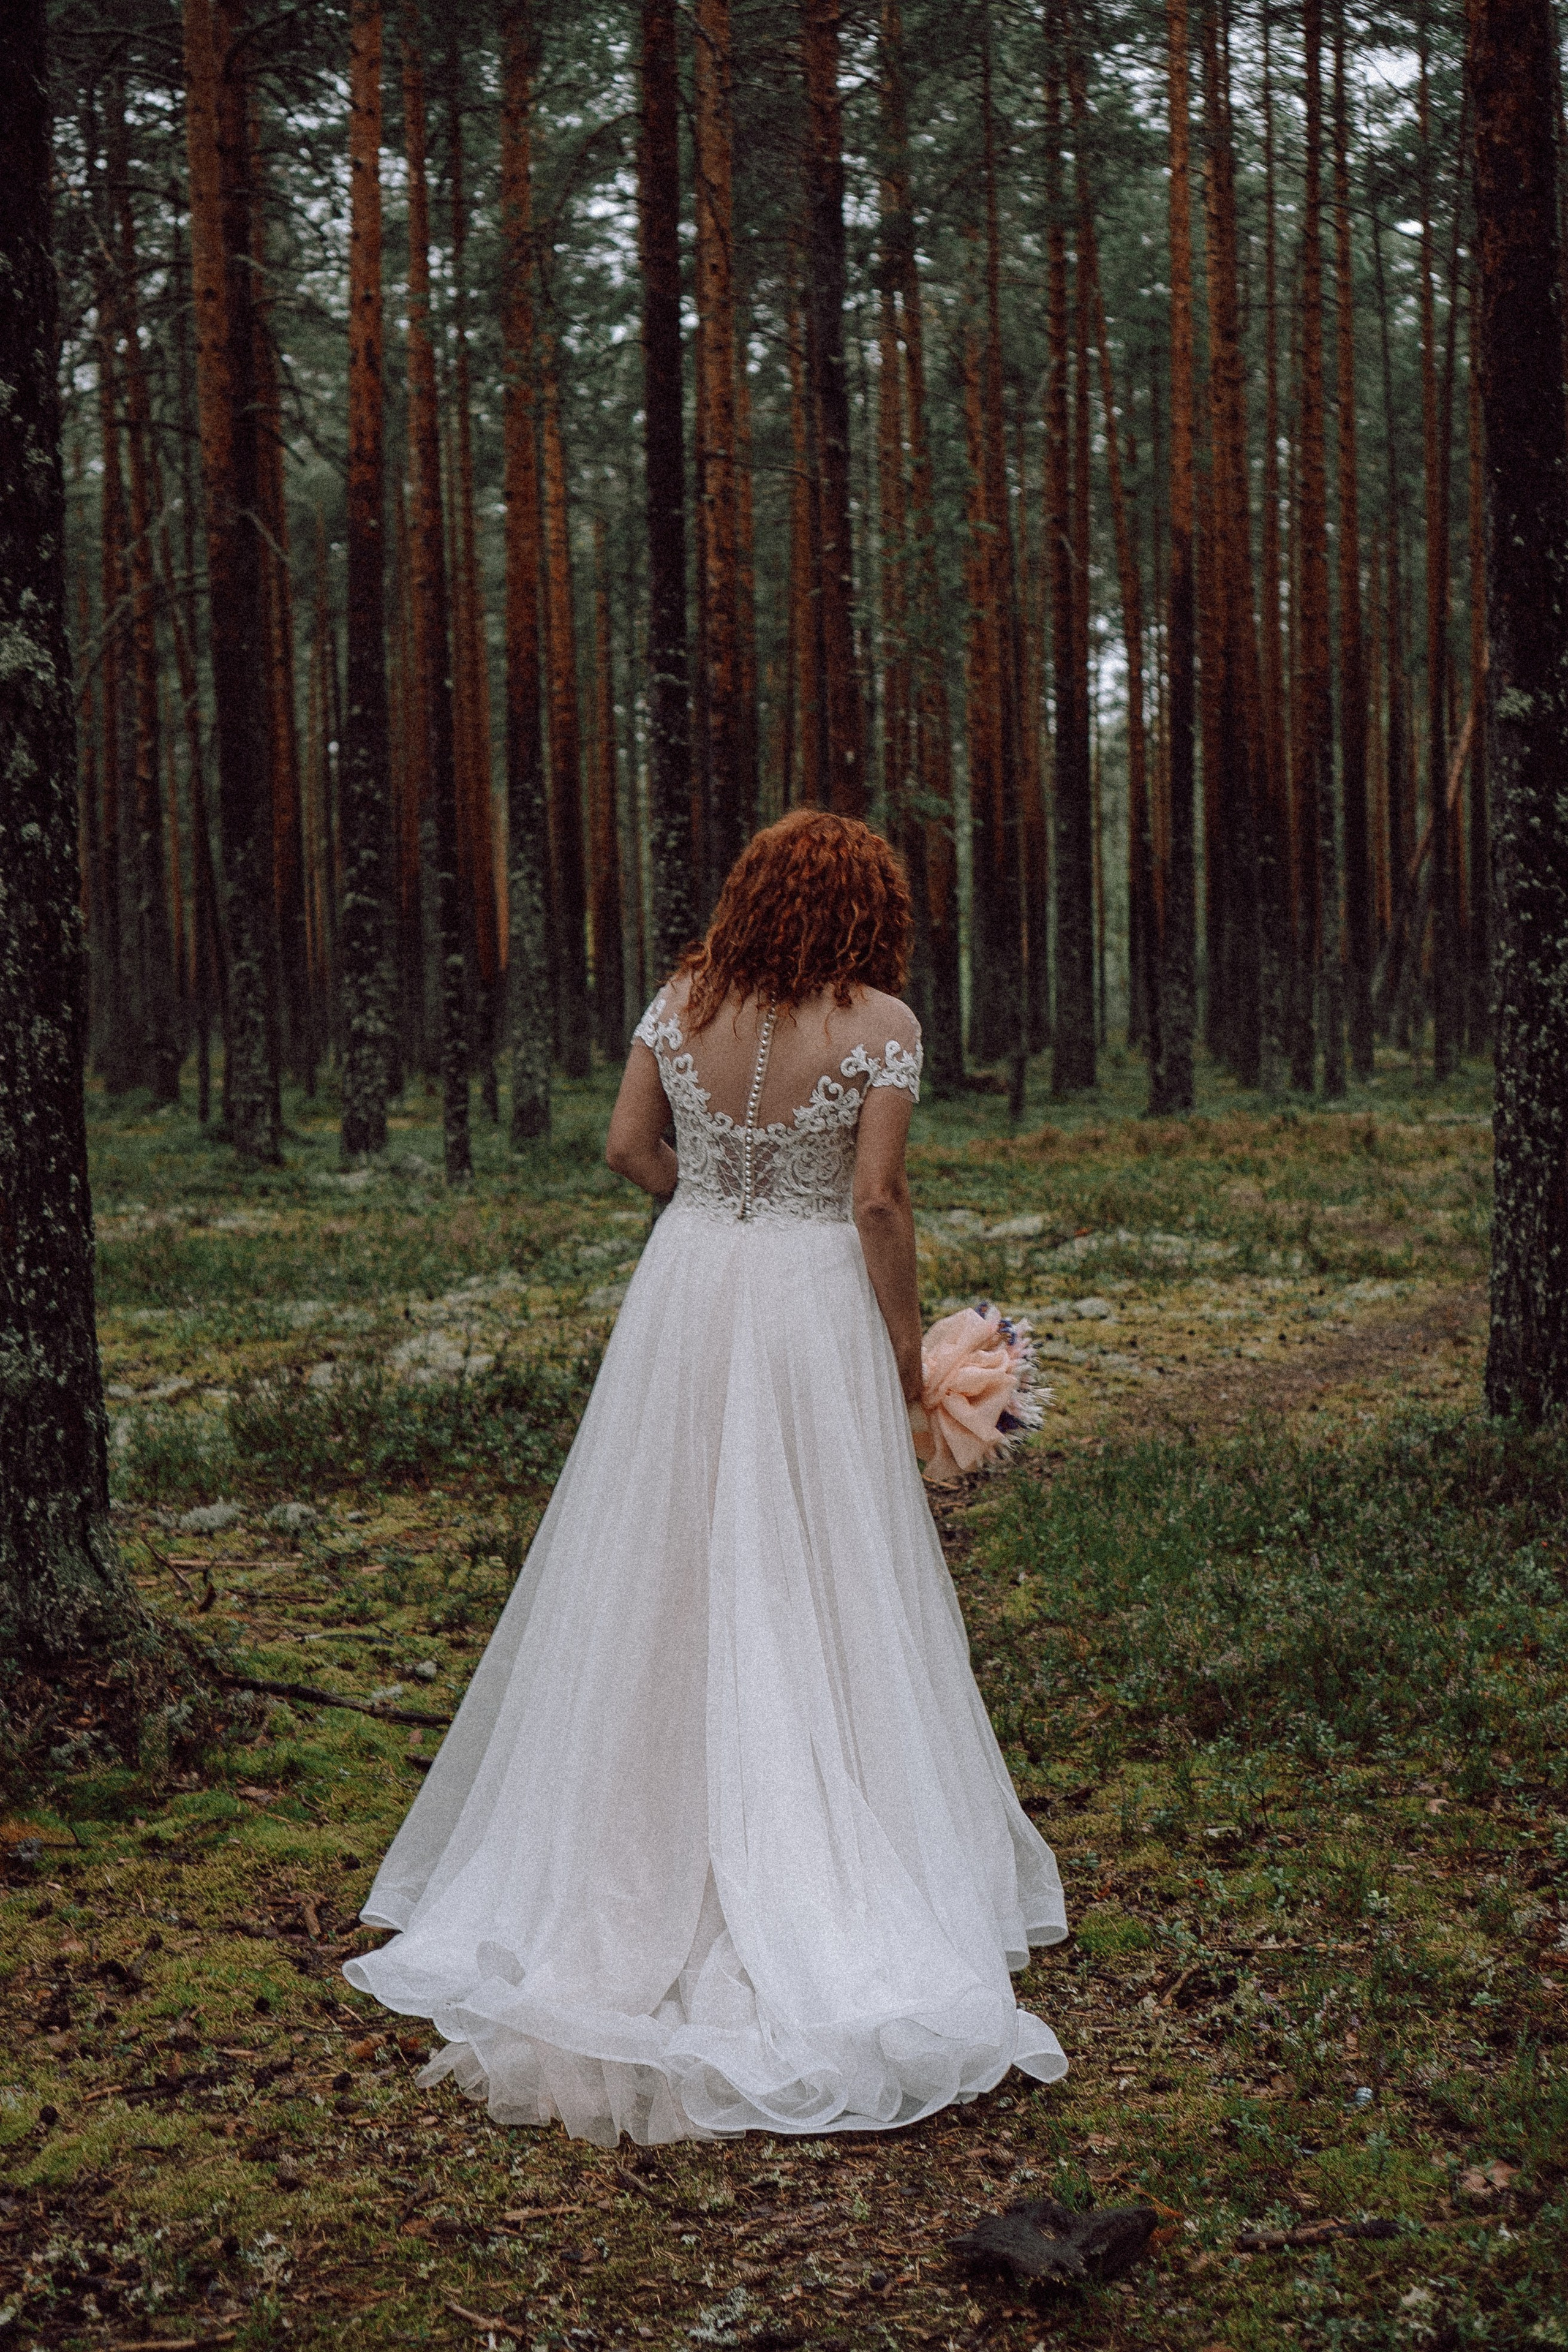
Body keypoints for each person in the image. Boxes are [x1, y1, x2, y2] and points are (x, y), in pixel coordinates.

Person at [345, 810, 1067, 2145]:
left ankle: (632, 1834)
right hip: (805, 1300)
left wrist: (707, 1209)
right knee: (815, 1550)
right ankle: (812, 1847)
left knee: (661, 1549)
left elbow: (623, 1149)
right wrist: (906, 1355)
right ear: (868, 910)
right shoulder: (881, 1026)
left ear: (749, 896)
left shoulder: (680, 1001)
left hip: (688, 1285)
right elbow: (875, 1204)